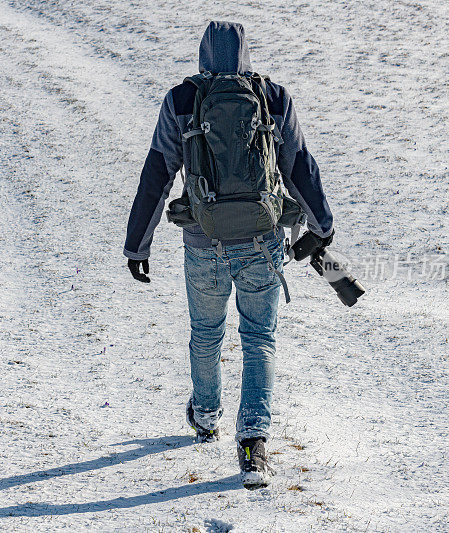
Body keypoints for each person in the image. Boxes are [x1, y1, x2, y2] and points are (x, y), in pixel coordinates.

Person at [123, 21, 334, 488]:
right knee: (259, 338)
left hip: (203, 242)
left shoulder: (182, 100)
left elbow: (157, 173)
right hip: (262, 242)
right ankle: (253, 442)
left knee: (206, 333)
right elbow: (299, 164)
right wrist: (322, 227)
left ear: (202, 55)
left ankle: (205, 416)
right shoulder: (271, 98)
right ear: (247, 54)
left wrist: (138, 243)